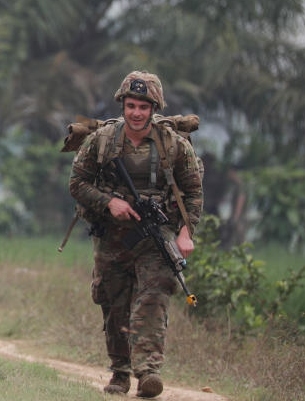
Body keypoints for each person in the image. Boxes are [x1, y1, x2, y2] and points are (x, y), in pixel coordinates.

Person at [68, 71, 203, 398]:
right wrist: (109, 202)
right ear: (123, 105)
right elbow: (77, 183)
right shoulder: (102, 140)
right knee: (114, 304)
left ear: (154, 108)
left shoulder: (174, 145)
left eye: (144, 106)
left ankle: (148, 371)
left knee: (153, 298)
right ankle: (120, 372)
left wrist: (186, 233)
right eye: (131, 105)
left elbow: (193, 192)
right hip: (111, 236)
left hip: (156, 235)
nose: (137, 112)